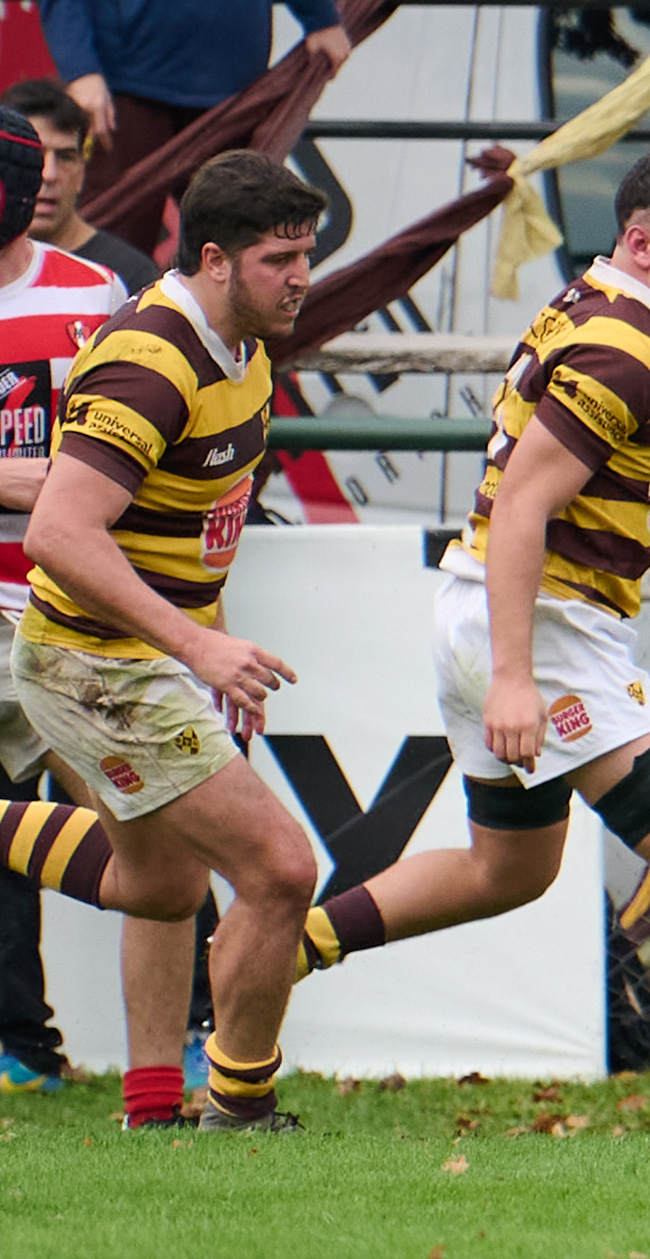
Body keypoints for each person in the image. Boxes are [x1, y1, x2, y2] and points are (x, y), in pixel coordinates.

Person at [289, 150, 650, 1133]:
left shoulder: (591, 307)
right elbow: (525, 505)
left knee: (507, 870)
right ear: (640, 242)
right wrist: (515, 677)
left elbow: (585, 489)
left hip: (487, 608)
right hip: (546, 630)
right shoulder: (628, 345)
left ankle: (294, 941)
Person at [6, 148, 327, 1132]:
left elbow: (196, 535)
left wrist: (209, 643)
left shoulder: (248, 346)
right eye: (280, 259)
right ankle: (242, 1104)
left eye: (307, 254)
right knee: (282, 867)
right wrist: (197, 647)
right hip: (94, 662)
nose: (302, 277)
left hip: (139, 659)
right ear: (215, 259)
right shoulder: (151, 358)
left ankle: (153, 1107)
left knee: (162, 883)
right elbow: (60, 531)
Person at [40, 0, 351, 254]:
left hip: (235, 89)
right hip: (126, 87)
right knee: (114, 250)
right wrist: (80, 69)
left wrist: (321, 17)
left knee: (236, 246)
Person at [3, 78, 160, 294]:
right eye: (35, 156)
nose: (49, 174)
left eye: (66, 157)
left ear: (83, 171)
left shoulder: (129, 275)